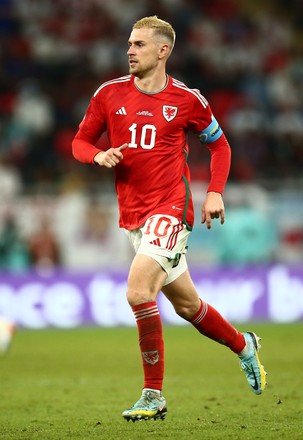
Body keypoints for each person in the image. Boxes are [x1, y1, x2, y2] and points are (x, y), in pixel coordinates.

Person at [72, 16, 267, 422]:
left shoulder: (187, 100)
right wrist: (97, 155)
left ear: (163, 51)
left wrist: (214, 191)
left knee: (139, 292)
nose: (130, 50)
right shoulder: (108, 94)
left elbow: (221, 147)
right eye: (129, 43)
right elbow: (80, 141)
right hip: (133, 217)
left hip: (171, 209)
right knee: (188, 306)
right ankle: (244, 346)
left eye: (139, 44)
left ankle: (153, 394)